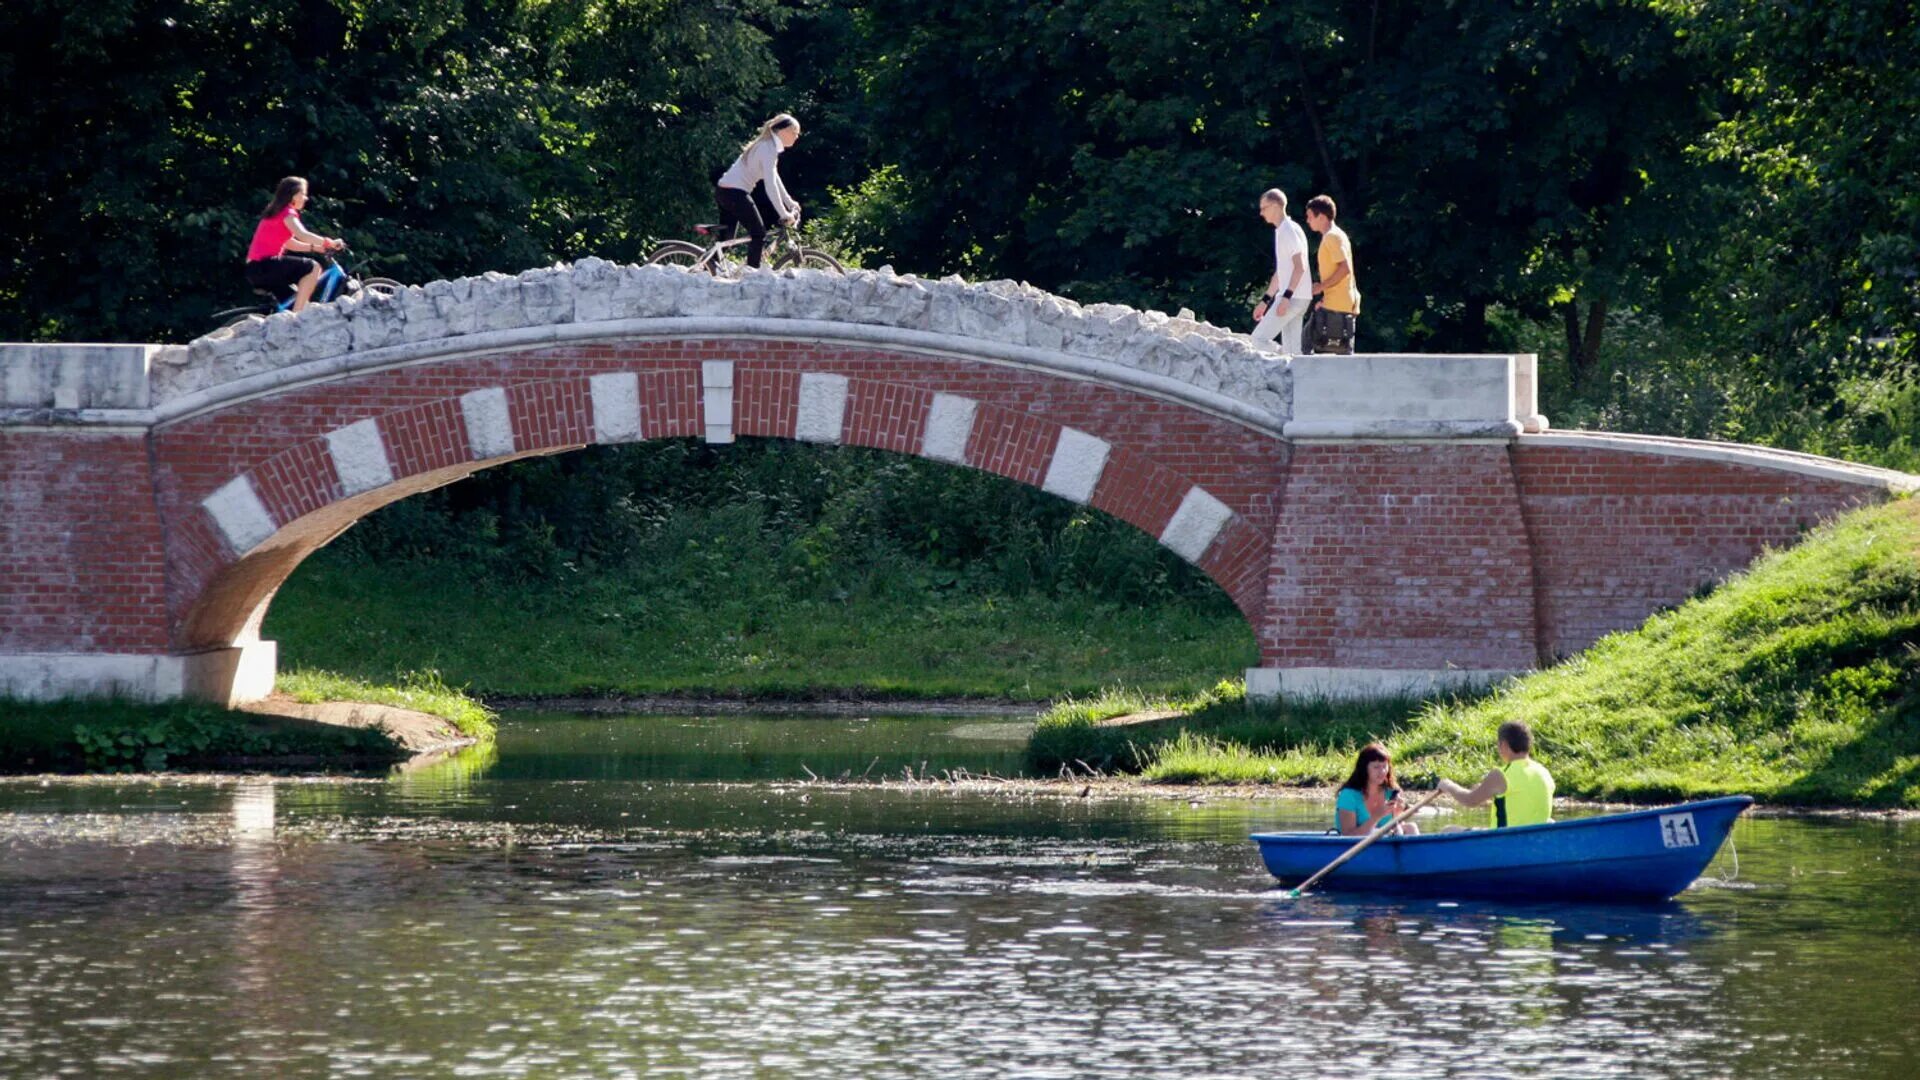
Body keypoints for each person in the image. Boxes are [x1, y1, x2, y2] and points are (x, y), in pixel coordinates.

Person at [243, 177, 344, 313]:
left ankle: (289, 321)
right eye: (303, 194)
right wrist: (329, 242)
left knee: (295, 300)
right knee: (313, 267)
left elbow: (289, 243)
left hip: (257, 269)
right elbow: (302, 234)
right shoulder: (287, 213)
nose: (306, 198)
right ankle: (297, 319)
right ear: (293, 195)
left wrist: (315, 248)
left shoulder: (276, 212)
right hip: (264, 266)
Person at [715, 113, 803, 269]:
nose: (797, 137)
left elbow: (775, 178)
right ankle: (752, 276)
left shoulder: (769, 146)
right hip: (734, 193)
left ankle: (708, 269)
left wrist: (789, 202)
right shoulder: (767, 148)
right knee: (758, 234)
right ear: (783, 131)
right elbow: (770, 185)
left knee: (726, 241)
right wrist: (783, 213)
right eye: (795, 132)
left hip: (727, 192)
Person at [1437, 721, 1555, 828]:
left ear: (1503, 745)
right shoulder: (1544, 772)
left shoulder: (1501, 774)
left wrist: (1448, 786)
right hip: (1536, 842)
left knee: (1448, 829)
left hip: (1504, 843)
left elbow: (1470, 800)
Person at [1251, 188, 1311, 355]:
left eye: (1264, 208)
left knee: (1257, 340)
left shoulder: (1288, 231)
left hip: (1292, 298)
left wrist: (1286, 298)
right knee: (1294, 353)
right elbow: (1281, 272)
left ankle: (1281, 356)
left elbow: (1300, 267)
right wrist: (1265, 300)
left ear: (1276, 206)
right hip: (1299, 297)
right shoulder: (1284, 230)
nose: (1261, 213)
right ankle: (1296, 374)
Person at [1304, 194, 1359, 354]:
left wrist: (1320, 287)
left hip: (1337, 307)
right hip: (1339, 303)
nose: (1307, 221)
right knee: (1340, 356)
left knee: (1306, 348)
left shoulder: (1332, 237)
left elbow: (1344, 269)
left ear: (1321, 217)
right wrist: (1324, 298)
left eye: (1309, 217)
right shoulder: (1338, 235)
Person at [1335, 743, 1420, 837]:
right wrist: (1377, 816)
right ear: (1364, 769)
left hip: (1384, 847)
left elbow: (1395, 831)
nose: (1382, 771)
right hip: (1356, 848)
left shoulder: (1392, 792)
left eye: (1384, 766)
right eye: (1376, 767)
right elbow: (1347, 835)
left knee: (1411, 827)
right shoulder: (1348, 795)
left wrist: (1398, 815)